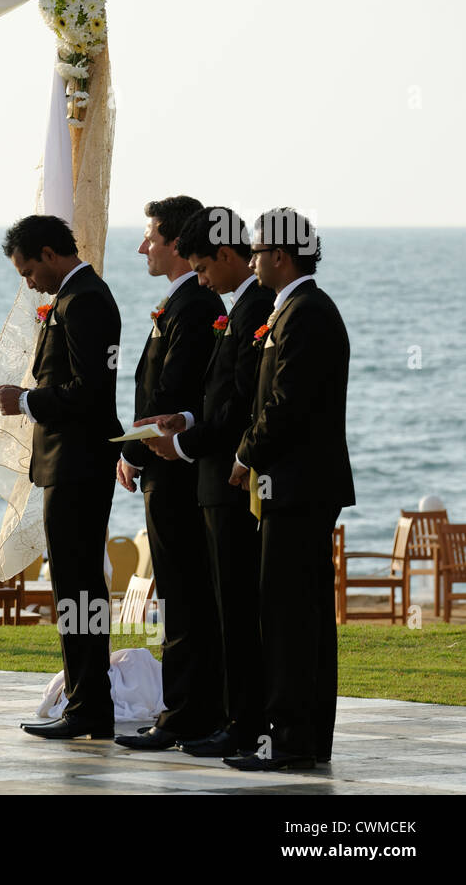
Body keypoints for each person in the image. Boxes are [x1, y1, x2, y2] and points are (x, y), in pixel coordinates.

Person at [136, 206, 275, 758]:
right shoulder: (234, 307)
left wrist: (187, 440)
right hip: (209, 474)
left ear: (223, 254)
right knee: (217, 602)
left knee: (228, 607)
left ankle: (234, 721)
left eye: (203, 265)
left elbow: (245, 403)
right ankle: (223, 717)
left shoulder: (246, 307)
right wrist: (184, 421)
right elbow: (214, 397)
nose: (202, 278)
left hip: (228, 479)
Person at [224, 209, 354, 771]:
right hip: (292, 488)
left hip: (299, 488)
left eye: (255, 252)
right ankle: (301, 738)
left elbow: (286, 406)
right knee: (295, 616)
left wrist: (244, 454)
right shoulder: (295, 310)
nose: (250, 262)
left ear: (281, 255)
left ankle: (291, 739)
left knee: (290, 619)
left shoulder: (307, 314)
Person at [0, 215, 123, 740]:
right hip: (67, 464)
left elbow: (89, 391)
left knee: (79, 587)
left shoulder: (85, 299)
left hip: (80, 463)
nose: (28, 282)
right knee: (73, 585)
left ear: (49, 254)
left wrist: (24, 401)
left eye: (27, 270)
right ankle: (85, 699)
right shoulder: (73, 297)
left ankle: (89, 703)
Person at [113, 196, 227, 752]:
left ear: (178, 243)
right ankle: (190, 708)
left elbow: (175, 390)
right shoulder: (179, 304)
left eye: (150, 237)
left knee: (185, 595)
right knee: (179, 593)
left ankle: (188, 712)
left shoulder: (196, 309)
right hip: (166, 465)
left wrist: (134, 453)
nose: (142, 247)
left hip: (178, 470)